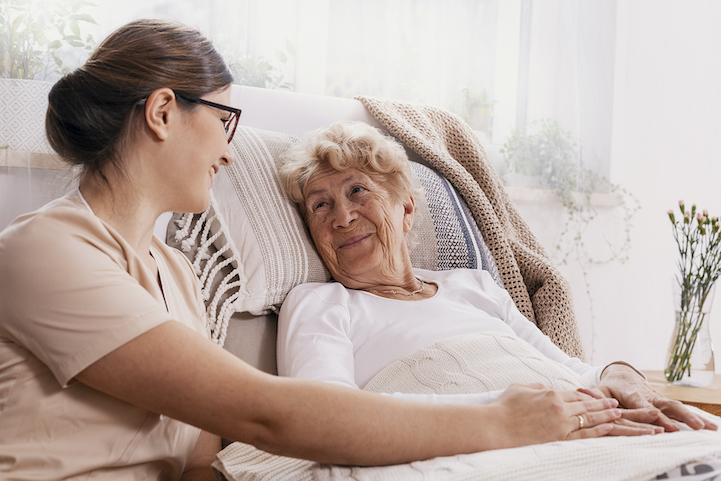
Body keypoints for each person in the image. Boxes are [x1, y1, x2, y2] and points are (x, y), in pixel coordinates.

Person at [0, 19, 638, 481]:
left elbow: (198, 459)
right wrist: (502, 422)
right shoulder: (43, 252)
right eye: (225, 121)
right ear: (163, 112)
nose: (229, 150)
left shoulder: (174, 274)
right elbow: (267, 416)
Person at [276, 121, 718, 437]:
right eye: (320, 205)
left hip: (584, 425)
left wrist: (622, 375)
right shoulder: (320, 304)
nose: (343, 216)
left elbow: (570, 369)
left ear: (407, 209)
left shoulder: (475, 286)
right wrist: (504, 414)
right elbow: (326, 418)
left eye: (358, 191)